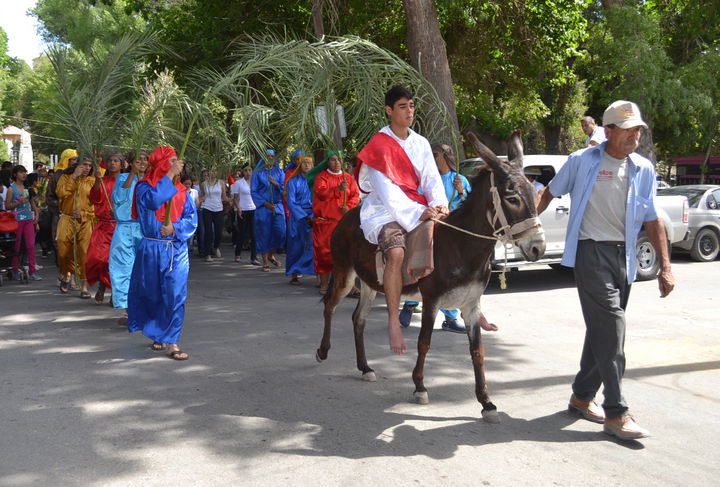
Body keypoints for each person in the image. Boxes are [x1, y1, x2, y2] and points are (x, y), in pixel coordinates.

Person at [537, 100, 675, 440]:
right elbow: (549, 193)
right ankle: (617, 413)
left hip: (624, 257)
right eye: (627, 130)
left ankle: (582, 397)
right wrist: (525, 226)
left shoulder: (643, 168)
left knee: (602, 332)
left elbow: (653, 218)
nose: (634, 136)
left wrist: (666, 267)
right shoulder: (582, 161)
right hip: (591, 254)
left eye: (638, 130)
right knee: (613, 329)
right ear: (608, 131)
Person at [355, 85, 448, 355]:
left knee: (453, 238)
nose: (410, 111)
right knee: (395, 253)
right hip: (384, 211)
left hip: (419, 205)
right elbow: (387, 193)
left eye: (412, 106)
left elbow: (431, 179)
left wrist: (439, 205)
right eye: (403, 106)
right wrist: (418, 213)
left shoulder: (421, 143)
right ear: (389, 110)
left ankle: (470, 307)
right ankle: (394, 321)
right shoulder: (378, 146)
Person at [127, 146, 197, 360]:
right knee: (152, 294)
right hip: (151, 248)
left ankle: (173, 342)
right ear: (160, 163)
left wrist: (175, 228)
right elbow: (153, 201)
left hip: (176, 250)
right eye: (172, 160)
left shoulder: (182, 191)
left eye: (177, 161)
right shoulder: (143, 187)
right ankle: (158, 333)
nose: (178, 164)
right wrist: (170, 175)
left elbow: (191, 219)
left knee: (175, 294)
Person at [400, 143, 472, 333]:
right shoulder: (428, 180)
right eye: (431, 155)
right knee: (423, 266)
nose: (433, 158)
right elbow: (417, 199)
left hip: (454, 235)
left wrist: (461, 191)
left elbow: (469, 206)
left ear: (446, 156)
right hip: (432, 229)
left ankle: (450, 317)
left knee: (451, 275)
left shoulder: (460, 179)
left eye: (436, 154)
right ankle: (410, 303)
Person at [311, 150, 360, 294]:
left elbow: (355, 195)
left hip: (343, 222)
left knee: (345, 254)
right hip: (325, 223)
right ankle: (324, 284)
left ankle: (348, 285)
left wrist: (349, 208)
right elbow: (321, 193)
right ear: (327, 162)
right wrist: (337, 189)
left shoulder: (348, 178)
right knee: (324, 254)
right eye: (333, 159)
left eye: (339, 159)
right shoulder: (322, 177)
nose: (337, 162)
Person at [109, 151, 148, 323]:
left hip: (144, 230)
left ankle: (142, 309)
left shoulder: (150, 180)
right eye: (138, 160)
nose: (142, 162)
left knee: (143, 270)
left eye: (145, 160)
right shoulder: (123, 178)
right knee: (124, 269)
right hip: (125, 229)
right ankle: (129, 310)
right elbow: (118, 197)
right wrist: (132, 174)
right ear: (130, 163)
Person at [55, 156, 95, 297]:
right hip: (67, 218)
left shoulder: (92, 181)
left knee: (84, 252)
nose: (87, 168)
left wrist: (83, 214)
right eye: (84, 164)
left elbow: (95, 204)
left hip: (85, 221)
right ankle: (67, 273)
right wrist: (74, 177)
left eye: (90, 165)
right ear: (77, 165)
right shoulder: (65, 178)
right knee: (63, 249)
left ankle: (84, 286)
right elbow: (61, 193)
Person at [86, 152, 122, 304]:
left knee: (117, 261)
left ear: (122, 164)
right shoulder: (102, 180)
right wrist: (97, 181)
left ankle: (114, 291)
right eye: (110, 160)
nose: (112, 163)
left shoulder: (125, 181)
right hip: (103, 226)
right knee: (99, 258)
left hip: (120, 227)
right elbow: (95, 198)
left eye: (116, 161)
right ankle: (102, 284)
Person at [4, 165, 41, 280]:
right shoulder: (11, 189)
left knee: (30, 245)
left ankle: (32, 271)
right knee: (17, 245)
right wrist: (18, 203)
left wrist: (36, 215)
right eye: (21, 172)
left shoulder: (28, 188)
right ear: (15, 175)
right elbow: (7, 206)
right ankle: (15, 269)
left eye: (25, 172)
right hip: (17, 221)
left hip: (28, 219)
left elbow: (32, 203)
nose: (24, 174)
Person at [251, 149, 286, 272]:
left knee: (280, 232)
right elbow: (254, 191)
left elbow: (284, 189)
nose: (270, 158)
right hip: (263, 208)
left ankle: (271, 254)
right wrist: (266, 204)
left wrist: (275, 183)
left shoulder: (279, 172)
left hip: (277, 206)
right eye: (268, 156)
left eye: (272, 156)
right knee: (264, 234)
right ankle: (265, 261)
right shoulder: (257, 173)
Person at [284, 155, 316, 284]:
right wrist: (305, 217)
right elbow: (291, 202)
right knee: (295, 246)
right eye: (304, 163)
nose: (307, 165)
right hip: (298, 218)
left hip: (313, 216)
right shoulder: (293, 181)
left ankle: (318, 276)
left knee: (312, 246)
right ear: (299, 165)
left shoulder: (316, 181)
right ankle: (294, 274)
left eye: (309, 163)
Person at [45, 149, 78, 262]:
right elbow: (49, 197)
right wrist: (63, 207)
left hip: (77, 216)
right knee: (59, 242)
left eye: (77, 159)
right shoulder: (56, 176)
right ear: (66, 160)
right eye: (73, 159)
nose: (75, 162)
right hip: (60, 215)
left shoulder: (81, 175)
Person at [198, 168, 231, 262]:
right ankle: (207, 253)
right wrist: (198, 202)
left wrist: (231, 200)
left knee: (218, 232)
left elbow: (224, 197)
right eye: (211, 171)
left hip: (218, 209)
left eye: (215, 171)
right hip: (207, 208)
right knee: (208, 232)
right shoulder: (204, 184)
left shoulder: (221, 183)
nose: (213, 173)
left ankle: (216, 247)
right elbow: (203, 196)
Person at [231, 164, 259, 264]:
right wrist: (238, 209)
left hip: (253, 209)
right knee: (242, 233)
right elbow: (235, 199)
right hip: (243, 209)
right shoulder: (239, 183)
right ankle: (238, 254)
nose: (248, 172)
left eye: (249, 170)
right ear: (243, 172)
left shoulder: (255, 182)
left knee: (254, 234)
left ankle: (254, 257)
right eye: (246, 170)